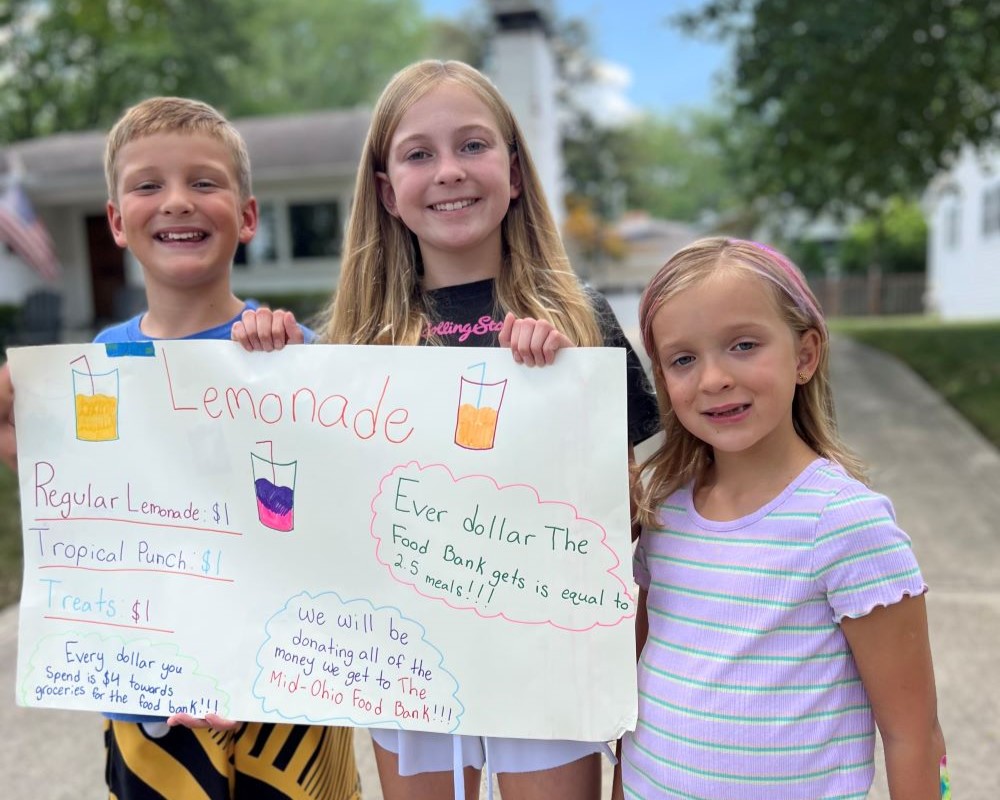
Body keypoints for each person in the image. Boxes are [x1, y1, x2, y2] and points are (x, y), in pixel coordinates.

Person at [233, 60, 660, 800]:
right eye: (419, 154)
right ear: (385, 191)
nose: (449, 172)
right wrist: (272, 367)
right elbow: (310, 516)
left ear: (516, 172)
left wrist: (561, 396)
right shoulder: (350, 347)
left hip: (544, 657)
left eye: (473, 145)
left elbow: (620, 513)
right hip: (407, 661)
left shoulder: (578, 322)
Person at [11, 95, 359, 800]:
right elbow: (71, 493)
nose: (177, 202)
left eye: (204, 182)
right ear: (115, 221)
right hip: (149, 698)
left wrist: (288, 378)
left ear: (248, 217)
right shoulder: (99, 366)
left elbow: (337, 510)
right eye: (148, 185)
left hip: (282, 693)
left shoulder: (295, 355)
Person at [617, 237, 947, 799]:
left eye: (743, 345)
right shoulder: (665, 512)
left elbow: (912, 733)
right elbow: (641, 689)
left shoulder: (845, 524)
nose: (714, 378)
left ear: (804, 354)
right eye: (683, 359)